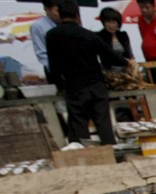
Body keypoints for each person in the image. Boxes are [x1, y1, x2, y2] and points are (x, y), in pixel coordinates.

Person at [46, 0, 133, 145]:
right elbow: (109, 54)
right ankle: (111, 152)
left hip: (74, 87)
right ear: (77, 15)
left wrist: (60, 85)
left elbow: (53, 65)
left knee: (79, 127)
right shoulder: (88, 34)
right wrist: (126, 62)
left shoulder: (52, 36)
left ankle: (84, 157)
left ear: (60, 15)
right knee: (104, 126)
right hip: (97, 86)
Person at [97, 7, 134, 72]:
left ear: (118, 23)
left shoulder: (123, 35)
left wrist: (131, 62)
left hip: (125, 70)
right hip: (108, 72)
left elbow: (130, 53)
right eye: (108, 22)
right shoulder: (100, 36)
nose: (111, 25)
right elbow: (107, 55)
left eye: (114, 22)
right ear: (104, 22)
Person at [30, 0, 60, 78]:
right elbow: (42, 53)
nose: (60, 13)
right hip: (55, 70)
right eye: (57, 10)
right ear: (46, 9)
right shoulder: (38, 26)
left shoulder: (67, 23)